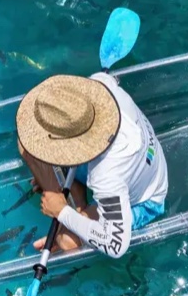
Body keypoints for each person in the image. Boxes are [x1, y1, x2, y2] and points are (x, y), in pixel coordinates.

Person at [15, 72, 168, 258]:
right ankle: (75, 201)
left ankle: (68, 200)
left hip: (142, 200)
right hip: (110, 166)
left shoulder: (106, 175)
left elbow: (116, 245)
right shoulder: (99, 85)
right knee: (27, 144)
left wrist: (62, 212)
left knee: (67, 241)